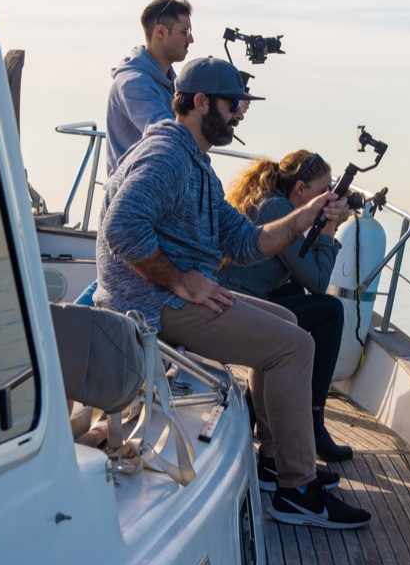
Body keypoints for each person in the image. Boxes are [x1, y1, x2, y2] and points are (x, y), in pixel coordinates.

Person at [95, 56, 370, 530]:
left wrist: (309, 216)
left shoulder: (193, 161)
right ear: (201, 102)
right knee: (295, 345)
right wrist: (180, 279)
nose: (241, 113)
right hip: (155, 307)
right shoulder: (167, 156)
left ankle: (275, 461)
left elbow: (247, 242)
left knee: (287, 325)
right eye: (234, 103)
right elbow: (120, 227)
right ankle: (297, 490)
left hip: (176, 296)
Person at [218, 151, 353, 462]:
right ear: (301, 188)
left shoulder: (271, 200)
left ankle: (259, 406)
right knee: (330, 311)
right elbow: (318, 282)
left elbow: (301, 275)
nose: (328, 198)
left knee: (295, 290)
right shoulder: (277, 210)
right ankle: (314, 421)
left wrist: (320, 223)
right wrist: (330, 228)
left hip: (240, 297)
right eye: (324, 192)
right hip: (230, 308)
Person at [104, 0, 194, 175]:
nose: (191, 39)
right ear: (160, 32)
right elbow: (169, 137)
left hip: (163, 183)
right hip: (134, 191)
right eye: (185, 32)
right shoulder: (133, 83)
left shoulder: (171, 82)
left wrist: (228, 110)